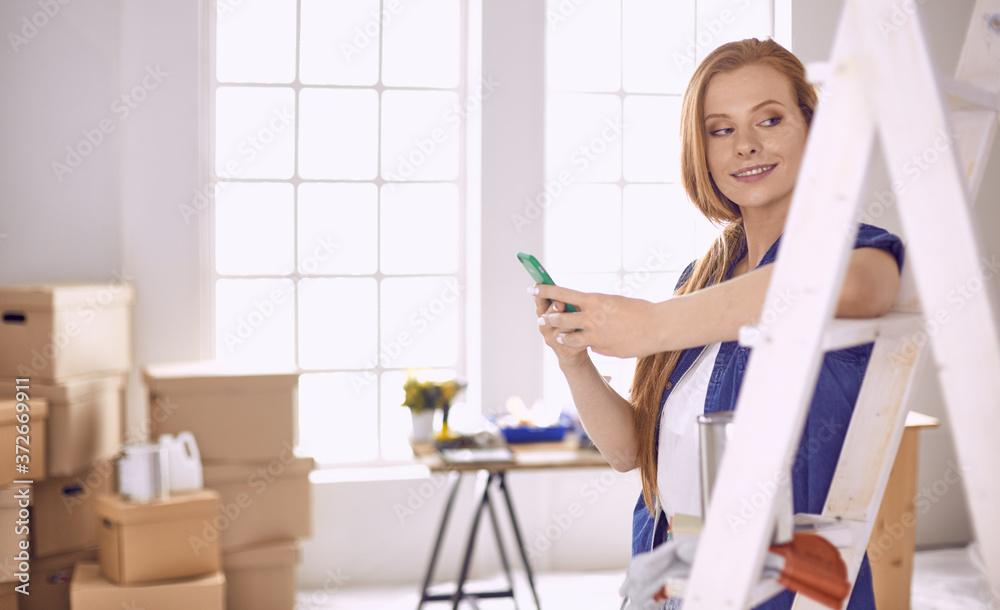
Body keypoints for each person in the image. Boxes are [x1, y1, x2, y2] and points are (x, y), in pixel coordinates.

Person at [530, 38, 904, 609]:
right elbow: (633, 452)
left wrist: (652, 325)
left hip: (783, 591)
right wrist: (576, 361)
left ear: (812, 127)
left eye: (770, 119)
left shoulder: (858, 251)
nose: (746, 145)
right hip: (670, 579)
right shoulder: (702, 280)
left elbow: (852, 285)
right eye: (720, 129)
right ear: (699, 150)